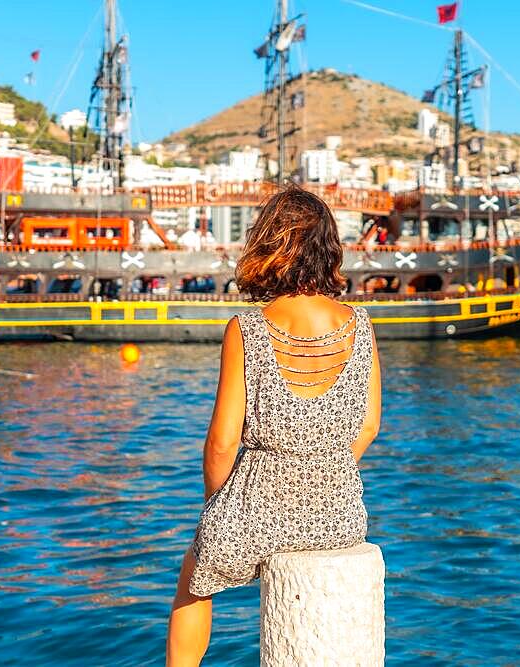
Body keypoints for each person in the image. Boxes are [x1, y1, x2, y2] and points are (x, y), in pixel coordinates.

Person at [166, 186, 382, 666]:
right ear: (329, 247)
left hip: (257, 507)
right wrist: (325, 469)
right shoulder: (361, 324)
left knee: (194, 580)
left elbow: (222, 443)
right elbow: (368, 426)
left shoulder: (248, 328)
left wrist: (217, 505)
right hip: (340, 513)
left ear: (267, 245)